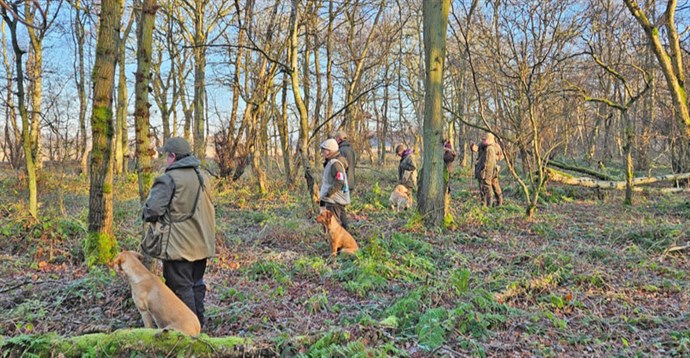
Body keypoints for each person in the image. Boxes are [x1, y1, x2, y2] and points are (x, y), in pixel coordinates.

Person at [142, 137, 215, 328]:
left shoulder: (169, 179)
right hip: (202, 244)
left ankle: (190, 332)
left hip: (179, 247)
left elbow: (152, 211)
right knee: (196, 284)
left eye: (166, 155)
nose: (165, 159)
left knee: (181, 288)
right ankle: (200, 324)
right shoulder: (203, 177)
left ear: (173, 156)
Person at [319, 138, 351, 230]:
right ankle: (345, 242)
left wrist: (328, 193)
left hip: (334, 200)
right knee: (343, 225)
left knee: (334, 226)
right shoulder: (332, 162)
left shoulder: (335, 164)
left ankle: (338, 243)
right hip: (336, 199)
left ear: (329, 151)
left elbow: (339, 182)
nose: (322, 153)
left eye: (323, 150)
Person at [471, 133, 503, 207]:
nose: (483, 141)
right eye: (483, 139)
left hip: (490, 169)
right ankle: (484, 203)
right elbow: (477, 150)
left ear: (490, 140)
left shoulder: (492, 147)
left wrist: (486, 174)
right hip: (484, 169)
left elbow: (491, 162)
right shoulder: (483, 146)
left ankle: (496, 203)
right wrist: (473, 147)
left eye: (485, 139)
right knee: (483, 186)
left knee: (491, 185)